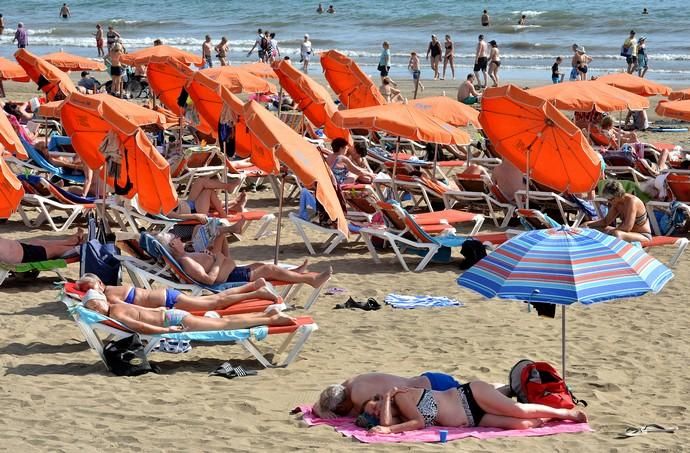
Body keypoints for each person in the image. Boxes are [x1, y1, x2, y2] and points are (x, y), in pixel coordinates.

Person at [357, 381, 587, 433]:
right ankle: (549, 418)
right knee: (524, 424)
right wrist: (383, 423)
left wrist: (388, 396)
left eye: (373, 405)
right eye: (373, 414)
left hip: (470, 397)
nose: (376, 411)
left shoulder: (401, 397)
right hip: (472, 419)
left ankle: (565, 412)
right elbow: (388, 424)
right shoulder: (398, 418)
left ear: (379, 399)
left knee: (519, 412)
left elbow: (416, 423)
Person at [81, 289, 296, 335]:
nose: (96, 309)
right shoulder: (116, 306)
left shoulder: (116, 312)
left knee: (224, 324)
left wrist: (166, 331)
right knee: (223, 319)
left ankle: (272, 319)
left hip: (171, 319)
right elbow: (140, 314)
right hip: (170, 313)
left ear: (100, 301)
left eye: (94, 305)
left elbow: (140, 326)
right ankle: (268, 316)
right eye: (92, 308)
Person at [155, 232, 333, 287]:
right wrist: (218, 260)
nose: (178, 238)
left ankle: (292, 274)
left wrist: (211, 256)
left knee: (259, 265)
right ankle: (311, 280)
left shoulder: (185, 256)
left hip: (228, 270)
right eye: (175, 238)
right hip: (228, 278)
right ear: (172, 246)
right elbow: (209, 280)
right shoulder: (185, 261)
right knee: (267, 270)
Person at [76, 273, 280, 312]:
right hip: (167, 295)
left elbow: (130, 311)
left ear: (99, 284)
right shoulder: (111, 289)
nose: (89, 293)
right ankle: (252, 286)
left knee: (215, 304)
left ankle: (258, 293)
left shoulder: (110, 296)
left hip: (168, 301)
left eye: (90, 288)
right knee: (215, 299)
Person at [314, 372, 464, 418]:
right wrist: (321, 410)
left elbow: (355, 416)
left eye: (339, 410)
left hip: (436, 392)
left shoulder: (358, 396)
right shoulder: (348, 383)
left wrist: (323, 413)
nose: (341, 413)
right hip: (430, 379)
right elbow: (317, 404)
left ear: (341, 405)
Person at [584, 180, 653, 242]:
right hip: (627, 233)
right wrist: (588, 224)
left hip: (643, 235)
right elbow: (605, 222)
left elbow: (627, 227)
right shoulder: (616, 203)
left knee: (617, 234)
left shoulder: (632, 201)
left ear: (618, 195)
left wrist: (610, 231)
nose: (608, 201)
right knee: (594, 228)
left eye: (610, 199)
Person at [171, 176, 246, 220]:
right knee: (208, 191)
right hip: (194, 211)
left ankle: (231, 194)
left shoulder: (162, 197)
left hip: (188, 203)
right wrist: (196, 216)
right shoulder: (161, 207)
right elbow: (177, 216)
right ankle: (224, 213)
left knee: (200, 181)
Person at [0, 231, 83, 264]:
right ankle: (79, 249)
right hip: (24, 256)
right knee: (55, 250)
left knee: (38, 241)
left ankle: (69, 242)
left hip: (20, 248)